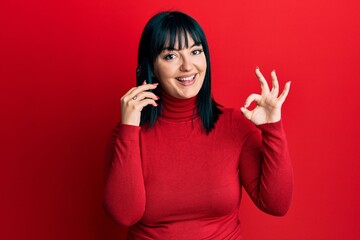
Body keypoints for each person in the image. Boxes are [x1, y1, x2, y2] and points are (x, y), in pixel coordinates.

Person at [104, 11, 293, 240]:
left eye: (195, 51)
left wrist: (272, 128)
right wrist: (129, 130)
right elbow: (125, 215)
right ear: (150, 67)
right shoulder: (129, 134)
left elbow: (276, 204)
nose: (187, 66)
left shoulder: (234, 125)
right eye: (171, 56)